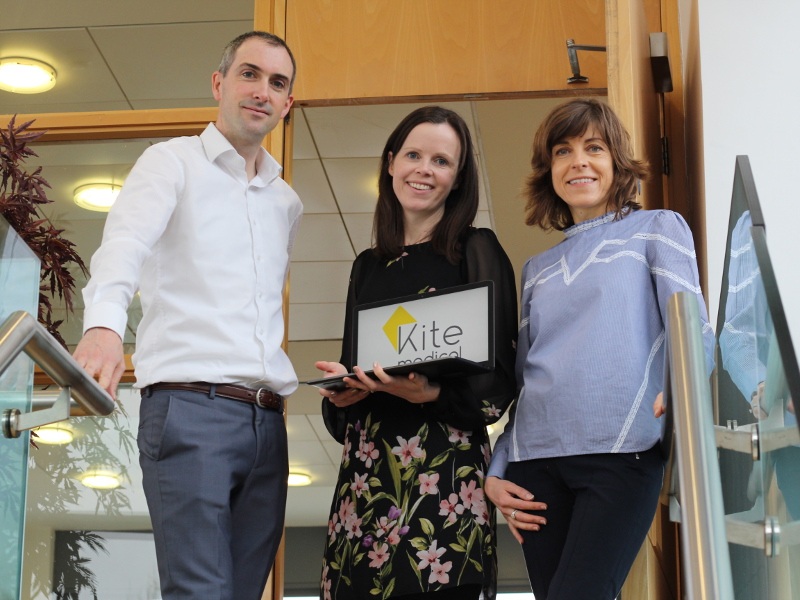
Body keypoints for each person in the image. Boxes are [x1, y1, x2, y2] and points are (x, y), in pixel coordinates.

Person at [72, 31, 301, 600]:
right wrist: (102, 327)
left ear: (287, 104)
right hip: (190, 408)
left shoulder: (284, 202)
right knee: (200, 591)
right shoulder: (169, 162)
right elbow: (121, 248)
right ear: (219, 84)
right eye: (250, 74)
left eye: (278, 83)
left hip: (268, 423)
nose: (262, 91)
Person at [484, 98, 715, 600]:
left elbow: (692, 327)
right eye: (562, 151)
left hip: (622, 451)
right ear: (549, 171)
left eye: (594, 147)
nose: (578, 162)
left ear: (618, 162)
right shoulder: (536, 269)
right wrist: (498, 466)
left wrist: (685, 389)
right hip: (534, 464)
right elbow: (525, 382)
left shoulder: (658, 229)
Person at [314, 106, 518, 600]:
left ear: (458, 178)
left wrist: (427, 392)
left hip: (445, 487)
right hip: (364, 489)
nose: (424, 169)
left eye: (442, 161)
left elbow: (497, 390)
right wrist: (340, 394)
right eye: (413, 155)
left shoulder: (476, 249)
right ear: (390, 163)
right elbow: (351, 394)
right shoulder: (367, 267)